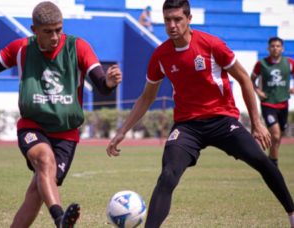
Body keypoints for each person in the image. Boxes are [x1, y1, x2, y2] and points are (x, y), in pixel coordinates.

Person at [106, 0, 294, 227]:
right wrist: (122, 131)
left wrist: (256, 122)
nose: (172, 25)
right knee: (168, 175)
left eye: (178, 19)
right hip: (187, 127)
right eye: (167, 20)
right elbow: (146, 97)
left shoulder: (211, 45)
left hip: (223, 120)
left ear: (189, 19)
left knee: (262, 162)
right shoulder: (160, 56)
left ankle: (292, 213)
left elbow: (244, 79)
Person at [0, 2, 122, 227]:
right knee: (44, 160)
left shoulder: (77, 47)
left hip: (66, 135)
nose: (55, 36)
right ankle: (60, 219)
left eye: (59, 29)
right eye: (48, 31)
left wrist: (109, 82)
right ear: (34, 30)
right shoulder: (21, 48)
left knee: (36, 192)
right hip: (33, 126)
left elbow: (101, 83)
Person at [251, 37, 294, 167]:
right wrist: (258, 92)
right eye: (273, 46)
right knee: (275, 134)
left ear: (282, 48)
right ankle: (273, 165)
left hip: (283, 103)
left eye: (278, 46)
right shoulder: (262, 64)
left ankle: (272, 159)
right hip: (268, 103)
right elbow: (251, 80)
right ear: (268, 48)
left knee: (279, 136)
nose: (275, 48)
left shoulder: (289, 63)